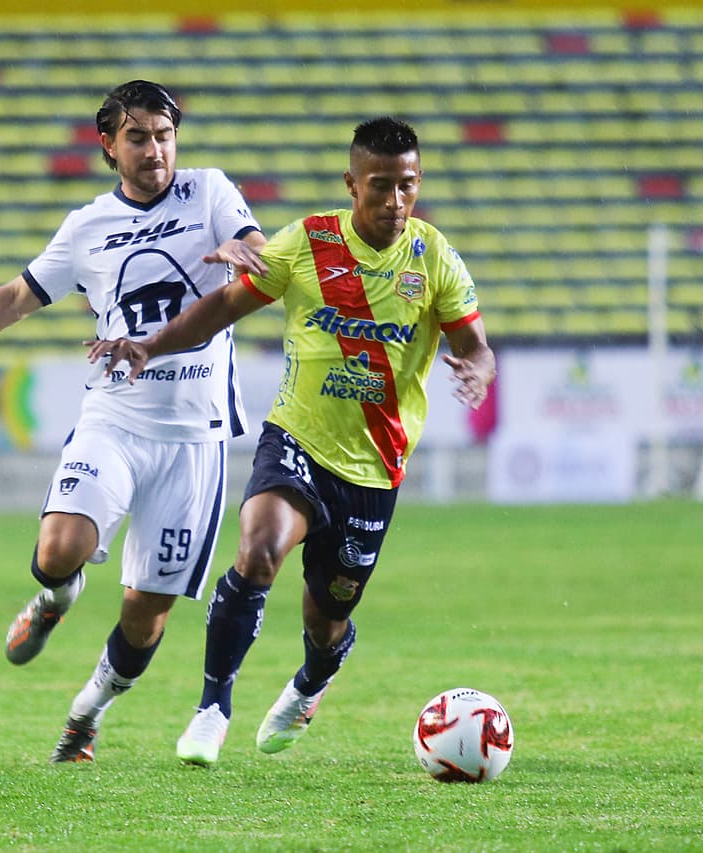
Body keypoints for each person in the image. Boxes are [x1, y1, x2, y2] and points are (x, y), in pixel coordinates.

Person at [0, 80, 267, 763]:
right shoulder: (87, 228)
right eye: (137, 137)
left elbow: (253, 241)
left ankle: (87, 711)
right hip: (114, 418)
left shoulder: (209, 192)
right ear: (108, 144)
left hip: (193, 444)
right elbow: (17, 298)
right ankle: (57, 595)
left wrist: (242, 250)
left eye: (164, 136)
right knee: (57, 550)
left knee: (146, 614)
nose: (155, 151)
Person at [90, 116, 496, 766]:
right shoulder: (307, 242)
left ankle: (313, 678)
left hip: (373, 468)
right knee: (257, 554)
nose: (395, 202)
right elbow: (222, 308)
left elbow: (475, 343)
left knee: (325, 616)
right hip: (297, 439)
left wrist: (477, 366)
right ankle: (212, 707)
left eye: (408, 186)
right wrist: (148, 343)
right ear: (351, 183)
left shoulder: (434, 256)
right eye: (381, 186)